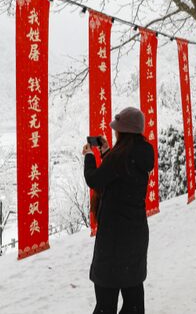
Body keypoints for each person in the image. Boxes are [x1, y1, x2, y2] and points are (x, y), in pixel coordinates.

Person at [83, 107, 154, 314]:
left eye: (117, 129)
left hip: (113, 241)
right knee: (133, 301)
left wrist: (89, 156)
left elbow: (95, 179)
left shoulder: (120, 157)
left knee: (106, 304)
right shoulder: (141, 153)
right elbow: (120, 176)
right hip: (135, 236)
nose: (114, 132)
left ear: (123, 132)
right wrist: (107, 152)